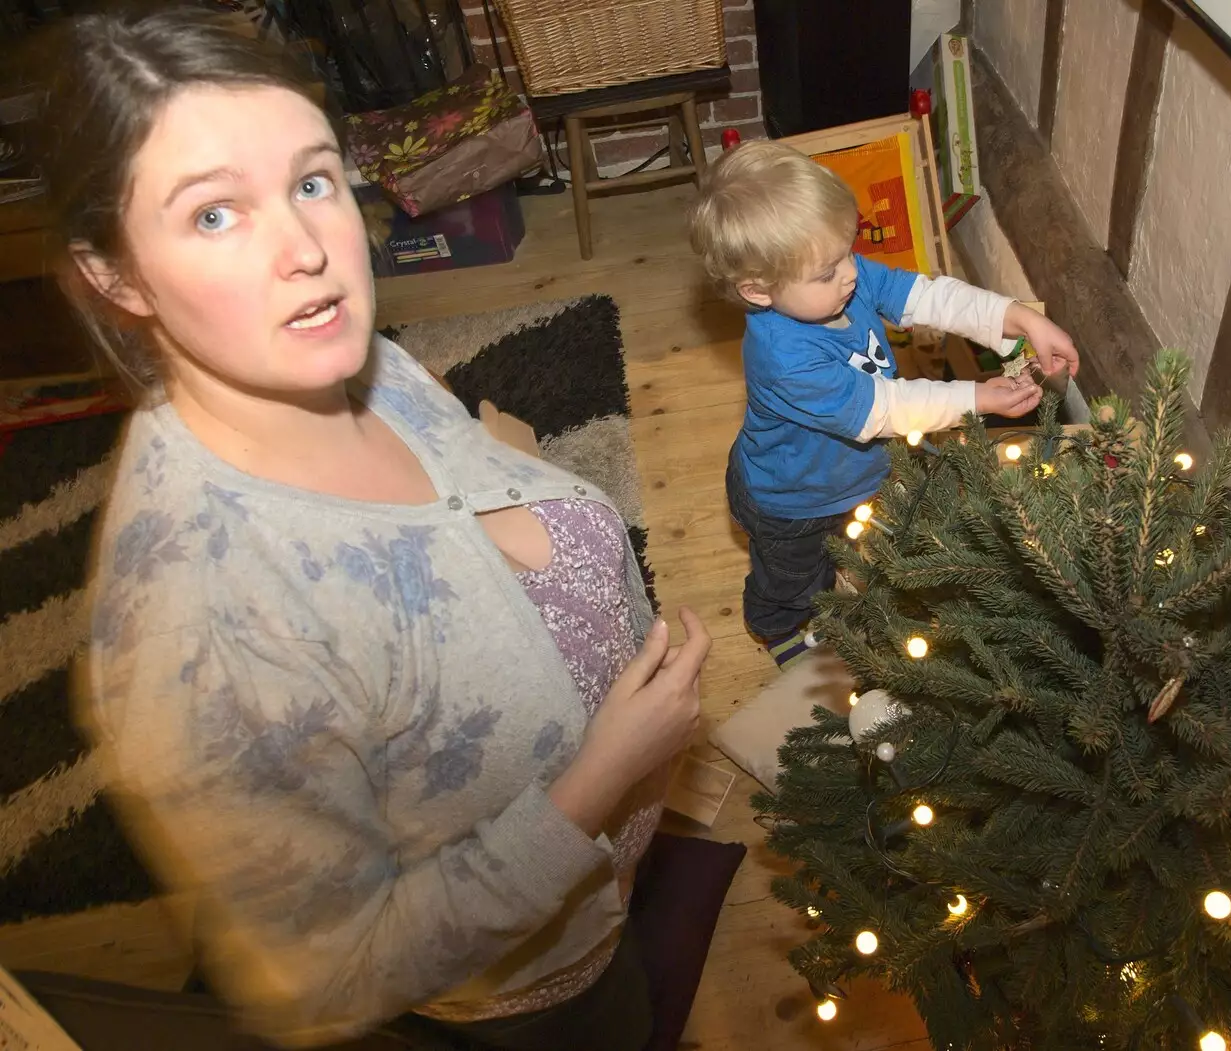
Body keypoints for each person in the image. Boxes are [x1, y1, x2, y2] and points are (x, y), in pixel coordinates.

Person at [42, 9, 709, 1049]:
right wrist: (598, 781)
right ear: (115, 275)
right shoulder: (203, 638)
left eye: (311, 182)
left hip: (605, 896)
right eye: (215, 215)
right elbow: (331, 974)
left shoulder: (351, 362)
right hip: (536, 995)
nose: (307, 252)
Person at [688, 142, 1081, 666]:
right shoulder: (783, 356)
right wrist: (978, 398)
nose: (851, 274)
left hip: (860, 472)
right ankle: (776, 629)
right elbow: (885, 409)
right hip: (792, 503)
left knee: (870, 542)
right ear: (758, 291)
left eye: (846, 252)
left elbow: (929, 296)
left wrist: (1020, 319)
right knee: (791, 580)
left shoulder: (844, 281)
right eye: (827, 272)